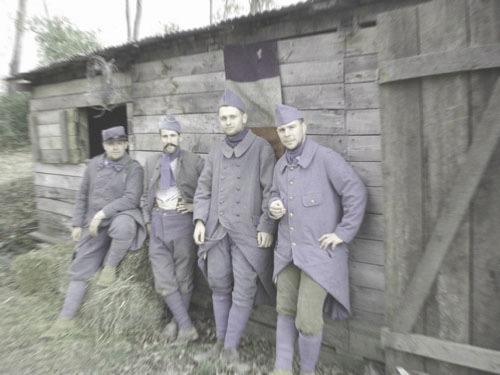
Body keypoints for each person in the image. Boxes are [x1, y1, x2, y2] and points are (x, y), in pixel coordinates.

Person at [268, 104, 367, 375]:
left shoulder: (326, 159)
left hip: (319, 255)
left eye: (291, 128)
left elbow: (355, 192)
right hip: (288, 252)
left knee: (308, 319)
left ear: (304, 127)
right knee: (284, 309)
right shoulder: (280, 167)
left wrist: (343, 233)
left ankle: (308, 371)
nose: (287, 134)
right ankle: (282, 367)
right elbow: (273, 194)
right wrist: (274, 204)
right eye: (281, 130)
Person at [192, 88, 277, 369]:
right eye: (223, 118)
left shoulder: (262, 148)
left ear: (244, 117)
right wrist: (200, 221)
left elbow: (271, 191)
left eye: (232, 117)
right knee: (219, 285)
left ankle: (230, 349)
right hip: (217, 232)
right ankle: (219, 343)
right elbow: (202, 190)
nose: (227, 122)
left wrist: (266, 225)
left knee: (244, 289)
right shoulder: (215, 153)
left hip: (248, 234)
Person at [41, 125, 146, 339]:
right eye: (110, 144)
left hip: (119, 216)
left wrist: (101, 214)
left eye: (119, 143)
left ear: (126, 144)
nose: (115, 148)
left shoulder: (133, 167)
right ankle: (65, 320)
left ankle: (110, 267)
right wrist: (77, 223)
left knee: (124, 225)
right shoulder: (93, 166)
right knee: (80, 269)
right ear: (104, 145)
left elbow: (131, 199)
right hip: (94, 226)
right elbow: (82, 196)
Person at [141, 113, 204, 346]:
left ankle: (177, 324)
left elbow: (208, 194)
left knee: (183, 278)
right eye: (165, 136)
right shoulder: (150, 163)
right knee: (163, 279)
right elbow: (143, 196)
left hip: (182, 224)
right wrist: (148, 221)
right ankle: (186, 326)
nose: (169, 140)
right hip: (157, 225)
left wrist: (193, 206)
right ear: (160, 138)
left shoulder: (194, 162)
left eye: (173, 135)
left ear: (181, 137)